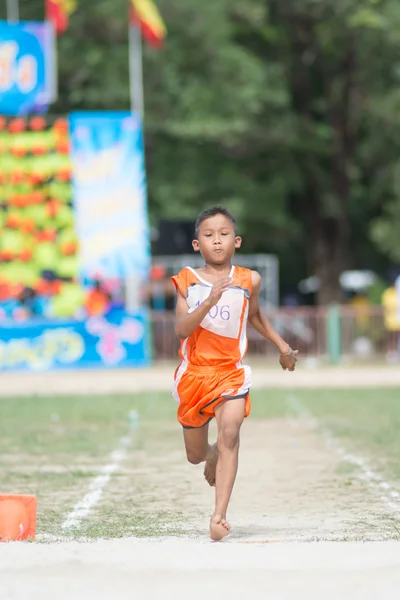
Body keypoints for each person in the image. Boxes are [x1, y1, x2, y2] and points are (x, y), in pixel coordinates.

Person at [171, 206, 298, 541]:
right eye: (209, 235)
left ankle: (219, 516)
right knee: (195, 455)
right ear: (198, 244)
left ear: (236, 241)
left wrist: (283, 347)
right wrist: (208, 301)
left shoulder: (249, 279)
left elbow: (254, 316)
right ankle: (210, 455)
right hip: (194, 374)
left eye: (224, 234)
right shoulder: (186, 280)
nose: (217, 241)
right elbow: (181, 330)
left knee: (231, 433)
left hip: (231, 373)